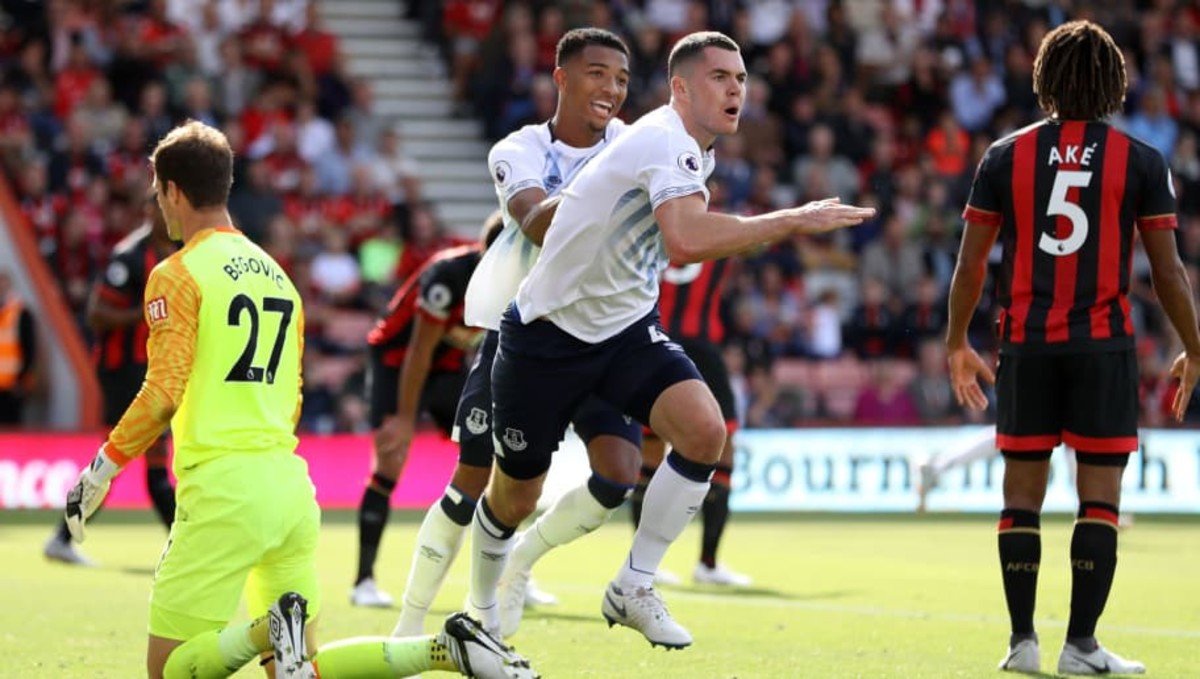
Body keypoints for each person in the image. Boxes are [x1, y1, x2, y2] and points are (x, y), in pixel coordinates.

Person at [62, 120, 535, 679]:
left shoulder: (177, 273)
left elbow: (163, 393)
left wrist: (102, 469)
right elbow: (293, 397)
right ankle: (444, 648)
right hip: (289, 489)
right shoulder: (278, 276)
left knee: (168, 671)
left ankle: (266, 629)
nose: (158, 203)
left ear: (172, 191)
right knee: (302, 671)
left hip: (221, 492)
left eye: (157, 191)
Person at [469, 31, 874, 650]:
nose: (736, 89)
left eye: (741, 79)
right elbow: (685, 240)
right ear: (680, 88)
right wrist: (793, 220)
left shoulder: (693, 152)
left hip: (624, 329)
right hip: (547, 334)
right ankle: (480, 612)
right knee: (514, 495)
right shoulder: (665, 139)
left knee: (705, 433)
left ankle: (633, 584)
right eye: (720, 77)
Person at [947, 20, 1200, 676]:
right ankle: (1081, 646)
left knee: (1020, 497)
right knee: (1099, 500)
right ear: (1114, 81)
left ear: (1045, 79)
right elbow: (1168, 271)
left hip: (1026, 344)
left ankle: (1022, 643)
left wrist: (956, 341)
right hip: (1102, 347)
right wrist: (1195, 347)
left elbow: (971, 264)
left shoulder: (1004, 155)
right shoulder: (1141, 159)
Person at [392, 27, 646, 639]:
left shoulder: (636, 145)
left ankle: (520, 563)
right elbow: (536, 225)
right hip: (525, 337)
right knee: (472, 484)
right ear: (561, 78)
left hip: (605, 336)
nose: (611, 88)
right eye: (596, 73)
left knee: (618, 474)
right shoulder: (519, 149)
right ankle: (409, 625)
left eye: (620, 78)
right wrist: (611, 176)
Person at [351, 211, 503, 607]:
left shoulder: (515, 282)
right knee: (391, 457)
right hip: (396, 362)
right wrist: (405, 419)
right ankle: (363, 582)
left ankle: (504, 575)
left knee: (492, 461)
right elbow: (418, 352)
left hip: (447, 366)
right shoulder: (447, 278)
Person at [44, 194, 179, 566]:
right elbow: (96, 314)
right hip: (122, 372)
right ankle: (187, 550)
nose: (171, 215)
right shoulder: (129, 257)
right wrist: (146, 313)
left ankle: (61, 537)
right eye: (163, 207)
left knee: (121, 463)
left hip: (148, 371)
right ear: (149, 210)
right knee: (148, 466)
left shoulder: (173, 253)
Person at [629, 259, 751, 587]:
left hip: (654, 343)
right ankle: (706, 563)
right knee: (723, 447)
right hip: (697, 347)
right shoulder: (718, 240)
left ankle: (642, 564)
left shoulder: (652, 237)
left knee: (650, 452)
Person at [0, 269, 35, 425]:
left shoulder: (21, 313)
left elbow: (29, 349)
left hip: (12, 386)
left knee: (11, 429)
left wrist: (22, 379)